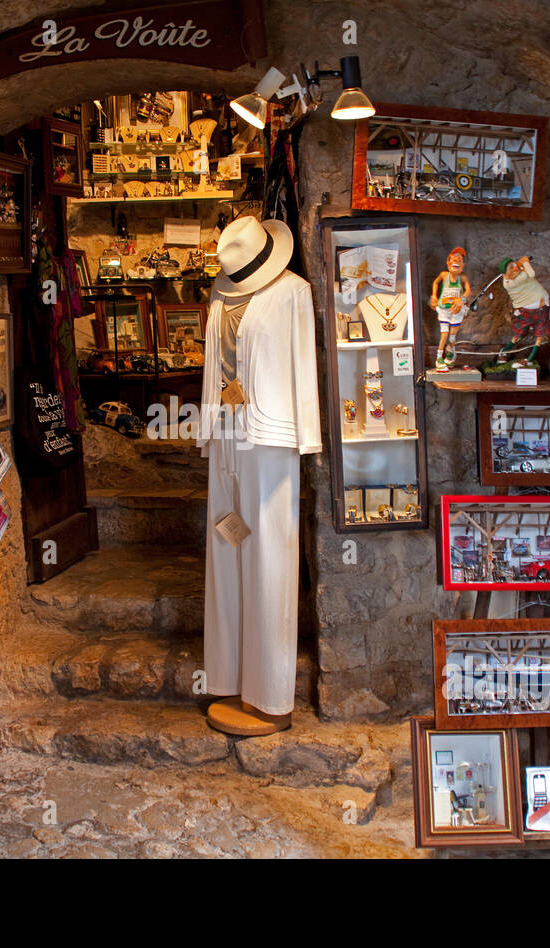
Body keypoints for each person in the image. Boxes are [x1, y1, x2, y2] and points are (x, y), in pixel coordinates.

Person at [196, 216, 321, 737]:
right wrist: (207, 425)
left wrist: (308, 436)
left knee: (270, 556)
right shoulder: (220, 294)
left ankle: (270, 694)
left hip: (271, 439)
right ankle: (228, 677)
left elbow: (303, 365)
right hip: (226, 432)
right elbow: (214, 364)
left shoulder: (293, 292)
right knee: (226, 548)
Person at [496, 255, 550, 366]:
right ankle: (505, 350)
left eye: (514, 265)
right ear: (505, 274)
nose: (514, 268)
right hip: (525, 310)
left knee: (540, 333)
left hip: (540, 307)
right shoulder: (511, 282)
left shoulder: (517, 274)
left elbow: (522, 271)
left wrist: (519, 265)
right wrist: (525, 261)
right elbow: (531, 273)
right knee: (519, 332)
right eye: (511, 268)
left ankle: (530, 358)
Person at [429, 247, 471, 371]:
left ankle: (450, 352)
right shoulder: (444, 275)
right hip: (443, 309)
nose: (456, 261)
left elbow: (468, 290)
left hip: (456, 310)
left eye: (460, 260)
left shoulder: (462, 277)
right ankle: (439, 358)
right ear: (448, 262)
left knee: (452, 336)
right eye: (454, 259)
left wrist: (461, 300)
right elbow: (436, 282)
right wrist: (434, 295)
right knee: (444, 333)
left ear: (463, 264)